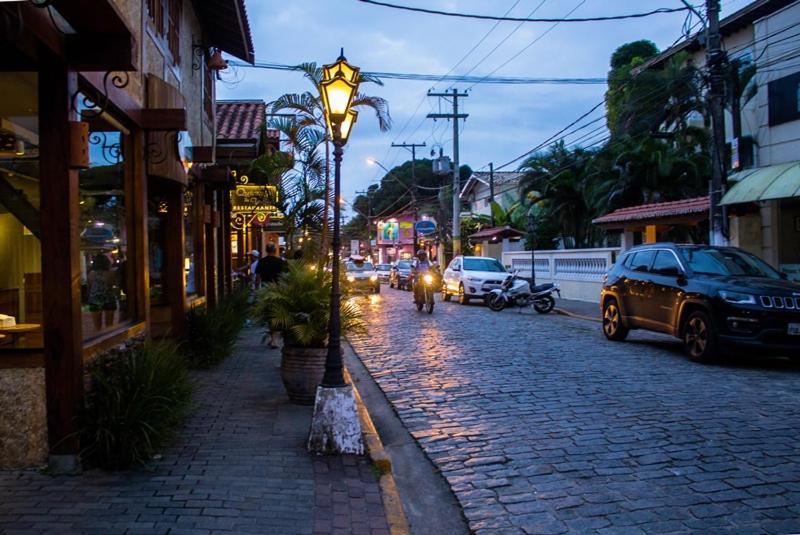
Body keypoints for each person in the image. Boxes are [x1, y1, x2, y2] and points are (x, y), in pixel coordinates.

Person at [256, 243, 286, 348]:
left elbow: (258, 277)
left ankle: (272, 339)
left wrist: (257, 291)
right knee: (276, 314)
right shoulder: (280, 262)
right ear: (275, 250)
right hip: (277, 290)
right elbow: (284, 277)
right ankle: (273, 339)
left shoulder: (262, 261)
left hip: (265, 289)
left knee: (268, 313)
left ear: (266, 250)